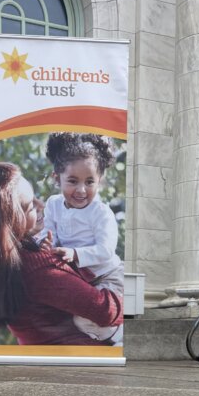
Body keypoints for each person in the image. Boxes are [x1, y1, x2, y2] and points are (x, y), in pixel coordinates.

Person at [0, 162, 123, 347]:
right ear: (10, 218)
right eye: (30, 206)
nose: (41, 205)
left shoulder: (0, 262)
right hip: (80, 359)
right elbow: (106, 311)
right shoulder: (38, 268)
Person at [40, 133, 124, 346]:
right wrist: (45, 242)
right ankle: (100, 337)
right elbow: (49, 233)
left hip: (108, 275)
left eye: (89, 182)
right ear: (56, 178)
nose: (81, 190)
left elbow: (106, 250)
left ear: (100, 180)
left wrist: (74, 254)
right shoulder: (53, 204)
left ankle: (117, 337)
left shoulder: (101, 212)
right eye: (72, 181)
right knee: (69, 316)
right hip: (80, 277)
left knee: (85, 319)